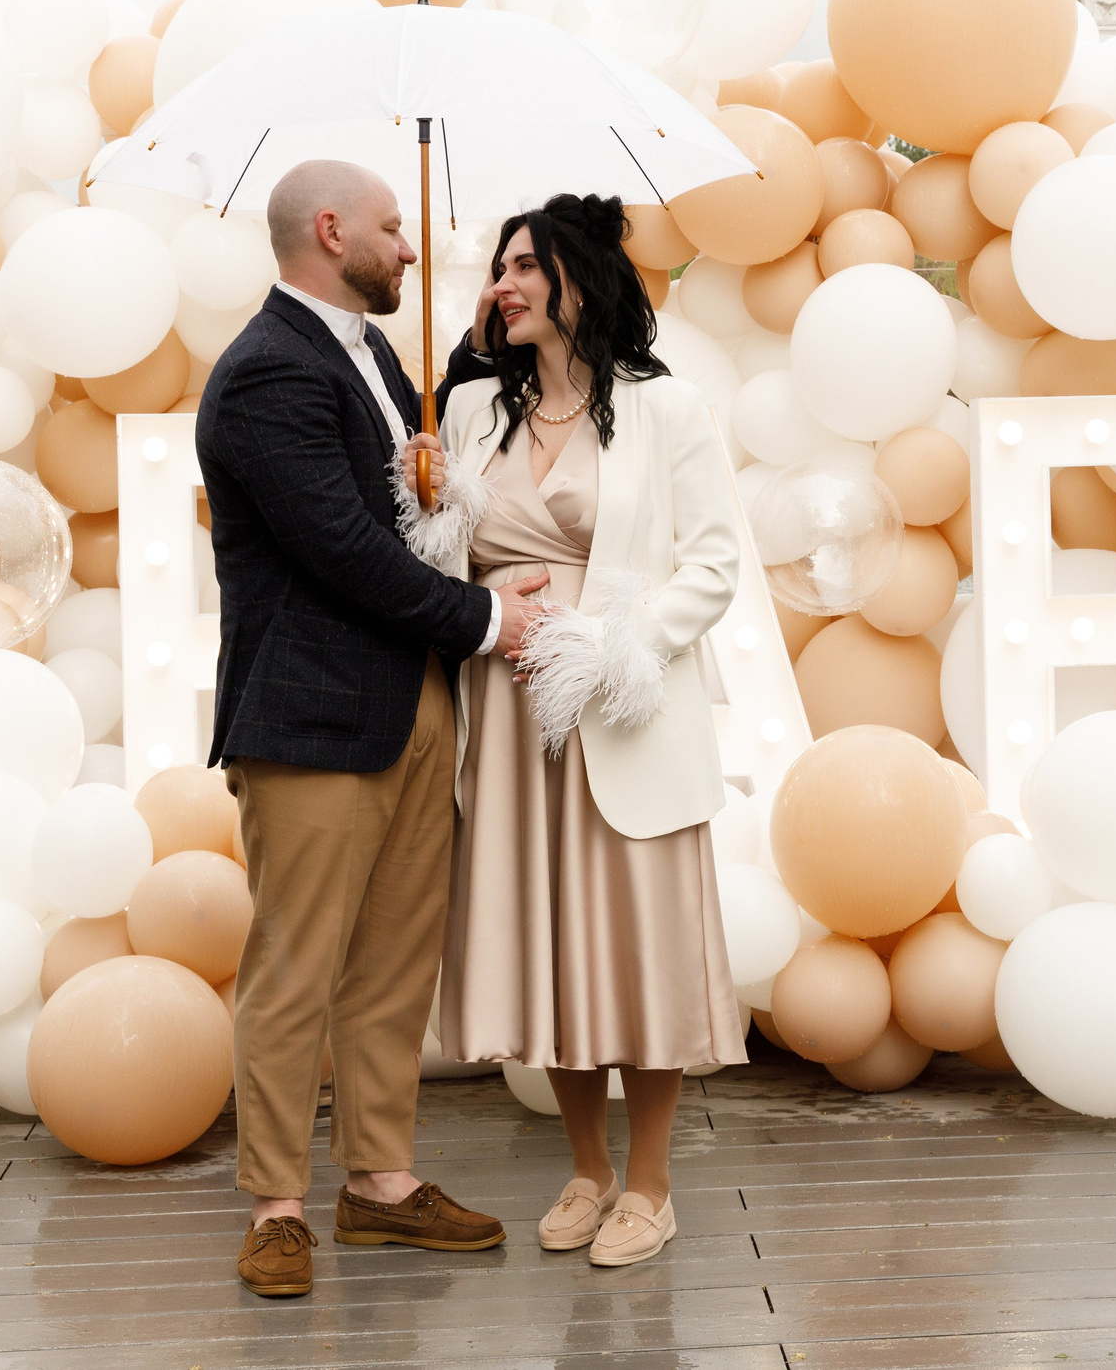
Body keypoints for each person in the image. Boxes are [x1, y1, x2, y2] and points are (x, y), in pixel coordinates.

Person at [194, 159, 552, 1299]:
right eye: (394, 231)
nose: (410, 250)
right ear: (331, 229)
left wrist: (487, 337)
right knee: (295, 967)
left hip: (410, 708)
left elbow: (408, 477)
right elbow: (345, 552)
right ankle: (278, 1208)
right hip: (308, 723)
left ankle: (381, 1187)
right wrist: (492, 620)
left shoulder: (370, 356)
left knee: (396, 965)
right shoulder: (263, 375)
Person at [400, 192, 750, 1270]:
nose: (499, 285)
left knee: (635, 949)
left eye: (518, 267)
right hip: (507, 719)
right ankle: (586, 1169)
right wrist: (430, 516)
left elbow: (713, 566)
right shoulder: (464, 414)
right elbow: (436, 571)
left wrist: (602, 642)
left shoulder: (668, 409)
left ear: (576, 281)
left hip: (618, 712)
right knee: (548, 940)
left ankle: (650, 1184)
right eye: (497, 269)